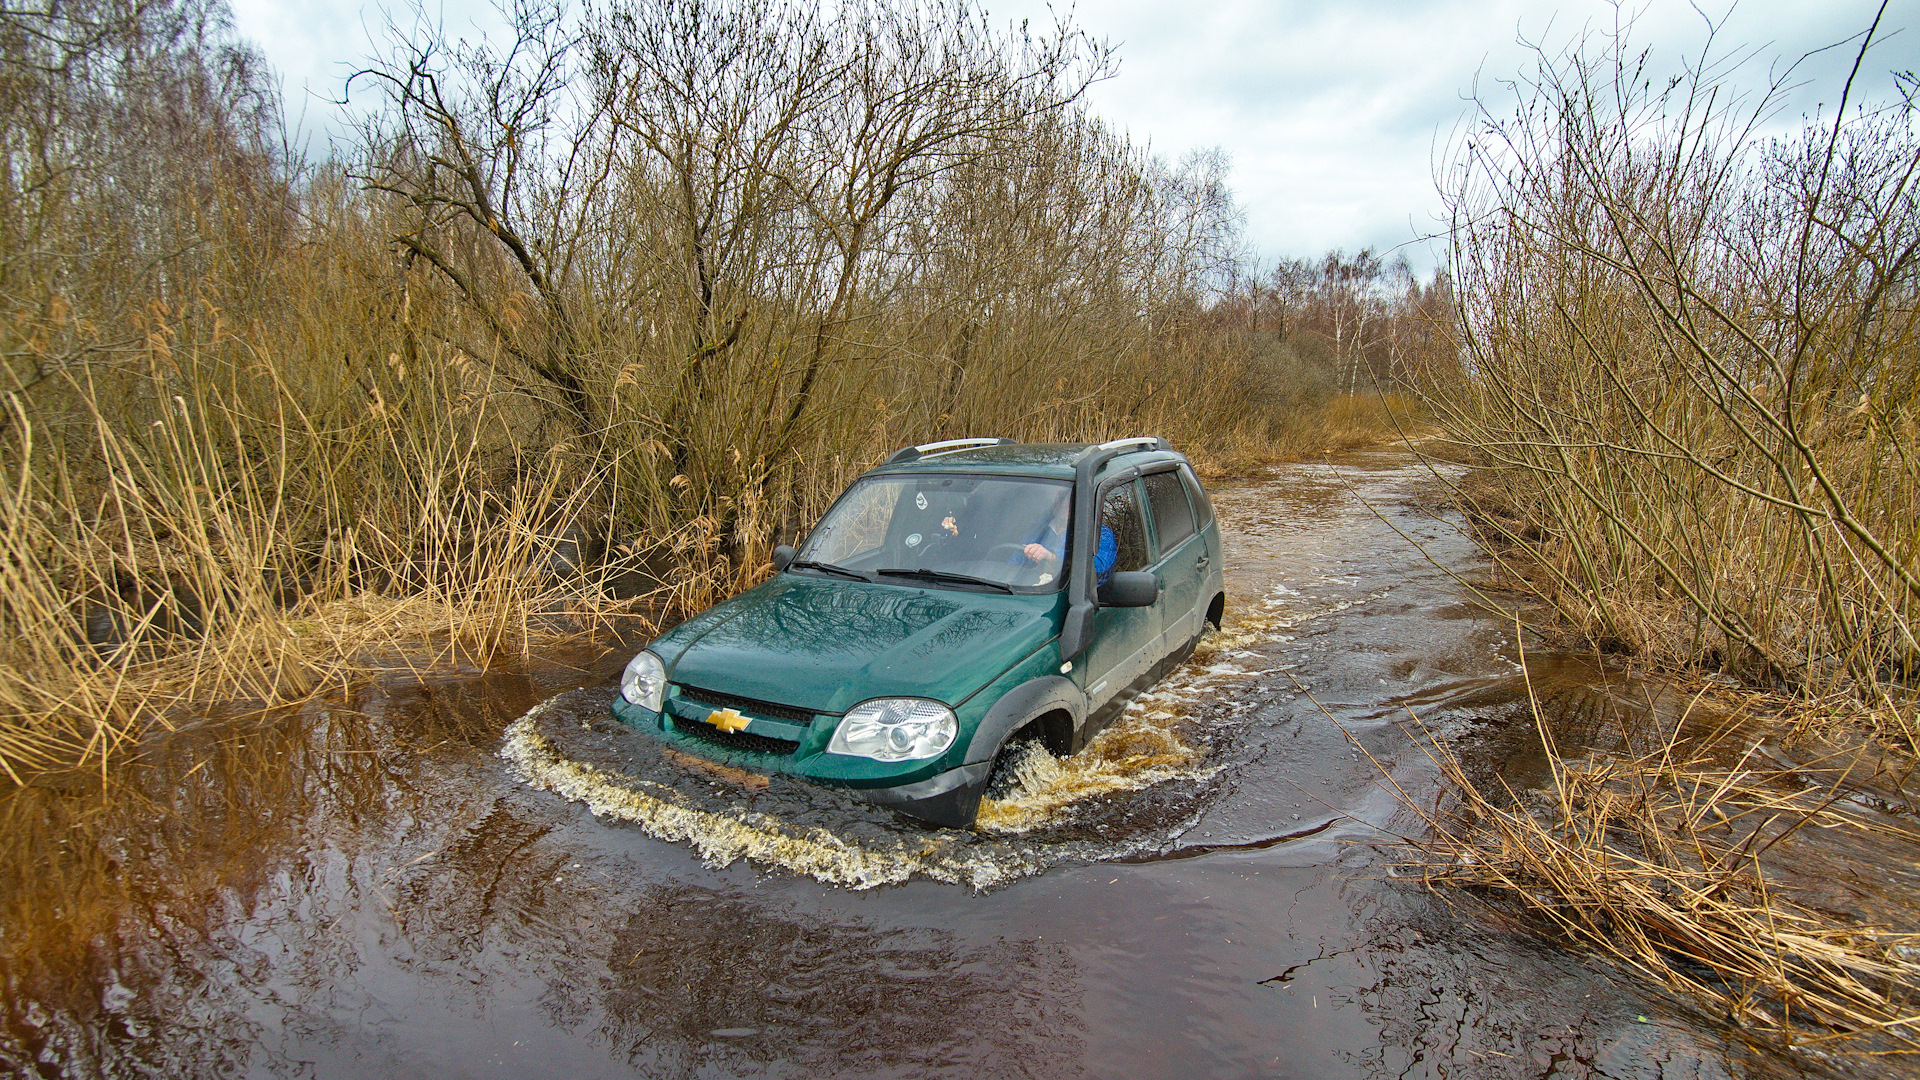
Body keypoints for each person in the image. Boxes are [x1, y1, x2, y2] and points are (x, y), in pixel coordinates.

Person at [1013, 491, 1117, 583]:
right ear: (1056, 505)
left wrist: (1052, 557)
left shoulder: (1099, 533)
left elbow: (1098, 567)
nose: (1074, 508)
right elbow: (1014, 563)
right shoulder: (1037, 530)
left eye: (1076, 503)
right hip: (1025, 592)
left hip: (1071, 598)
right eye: (1068, 503)